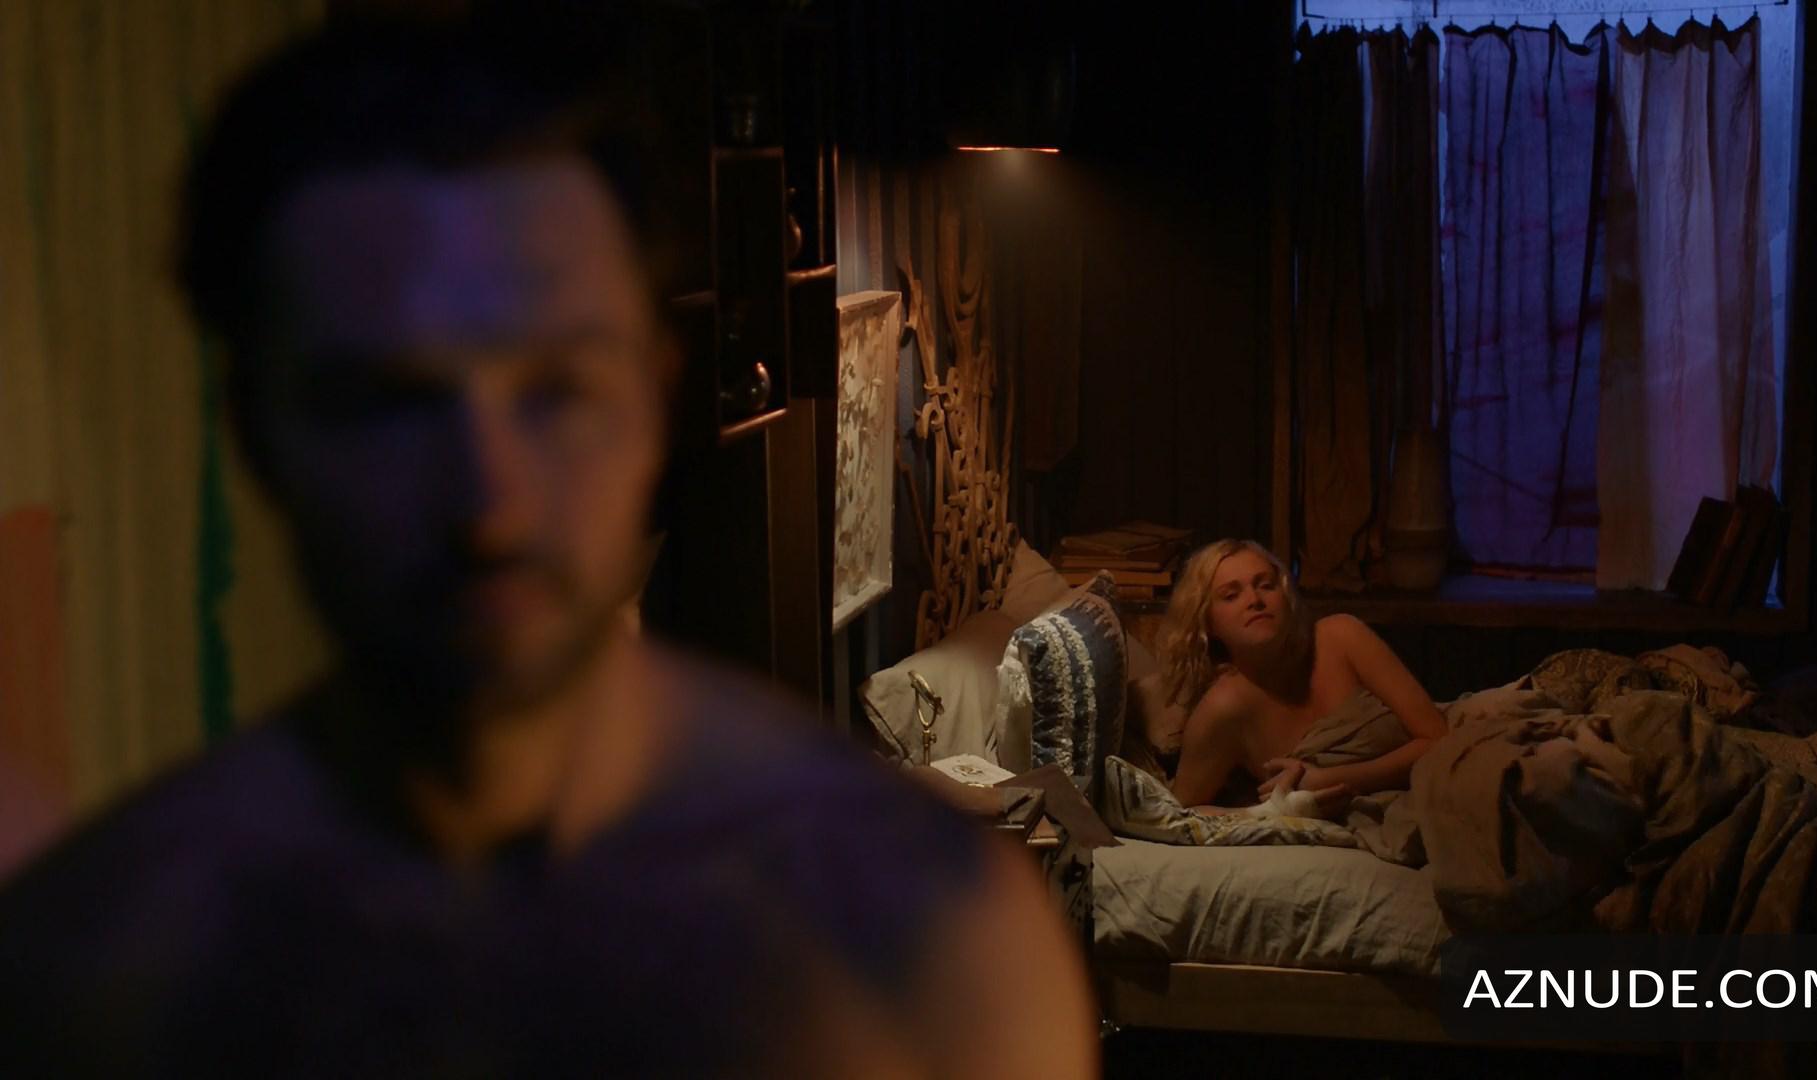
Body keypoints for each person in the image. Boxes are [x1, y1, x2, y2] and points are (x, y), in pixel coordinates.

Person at [0, 15, 1093, 1076]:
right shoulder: (93, 981)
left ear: (653, 394)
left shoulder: (927, 953)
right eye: (386, 404)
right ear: (255, 431)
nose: (491, 505)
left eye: (558, 389)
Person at [1159, 539, 1447, 812]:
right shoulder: (1224, 707)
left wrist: (1330, 779)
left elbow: (1438, 739)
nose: (1255, 600)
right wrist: (1272, 812)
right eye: (1231, 595)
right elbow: (1181, 814)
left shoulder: (1341, 637)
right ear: (1207, 623)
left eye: (1266, 585)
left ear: (1285, 595)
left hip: (1441, 777)